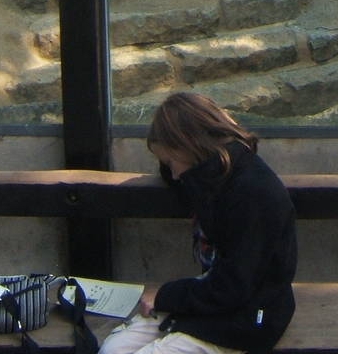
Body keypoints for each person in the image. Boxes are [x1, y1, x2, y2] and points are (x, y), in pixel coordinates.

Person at [101, 92, 297, 354]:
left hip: (252, 315)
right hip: (217, 296)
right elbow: (180, 176)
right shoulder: (209, 176)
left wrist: (165, 296)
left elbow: (234, 287)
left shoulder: (253, 193)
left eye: (171, 162)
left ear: (190, 146)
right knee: (113, 349)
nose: (174, 174)